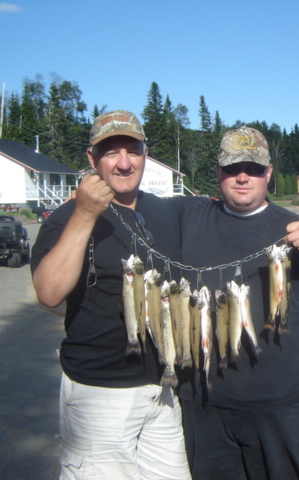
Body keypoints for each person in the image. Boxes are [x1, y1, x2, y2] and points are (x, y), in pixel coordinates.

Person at [170, 126, 299, 480]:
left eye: (252, 168)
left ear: (268, 172)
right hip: (205, 408)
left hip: (284, 407)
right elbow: (130, 209)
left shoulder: (296, 229)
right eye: (232, 168)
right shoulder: (187, 218)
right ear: (218, 172)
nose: (242, 177)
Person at [31, 110, 191, 480]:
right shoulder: (66, 217)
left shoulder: (162, 211)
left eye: (132, 150)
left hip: (161, 392)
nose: (123, 163)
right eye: (110, 152)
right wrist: (86, 214)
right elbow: (49, 293)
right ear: (92, 159)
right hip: (99, 396)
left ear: (145, 154)